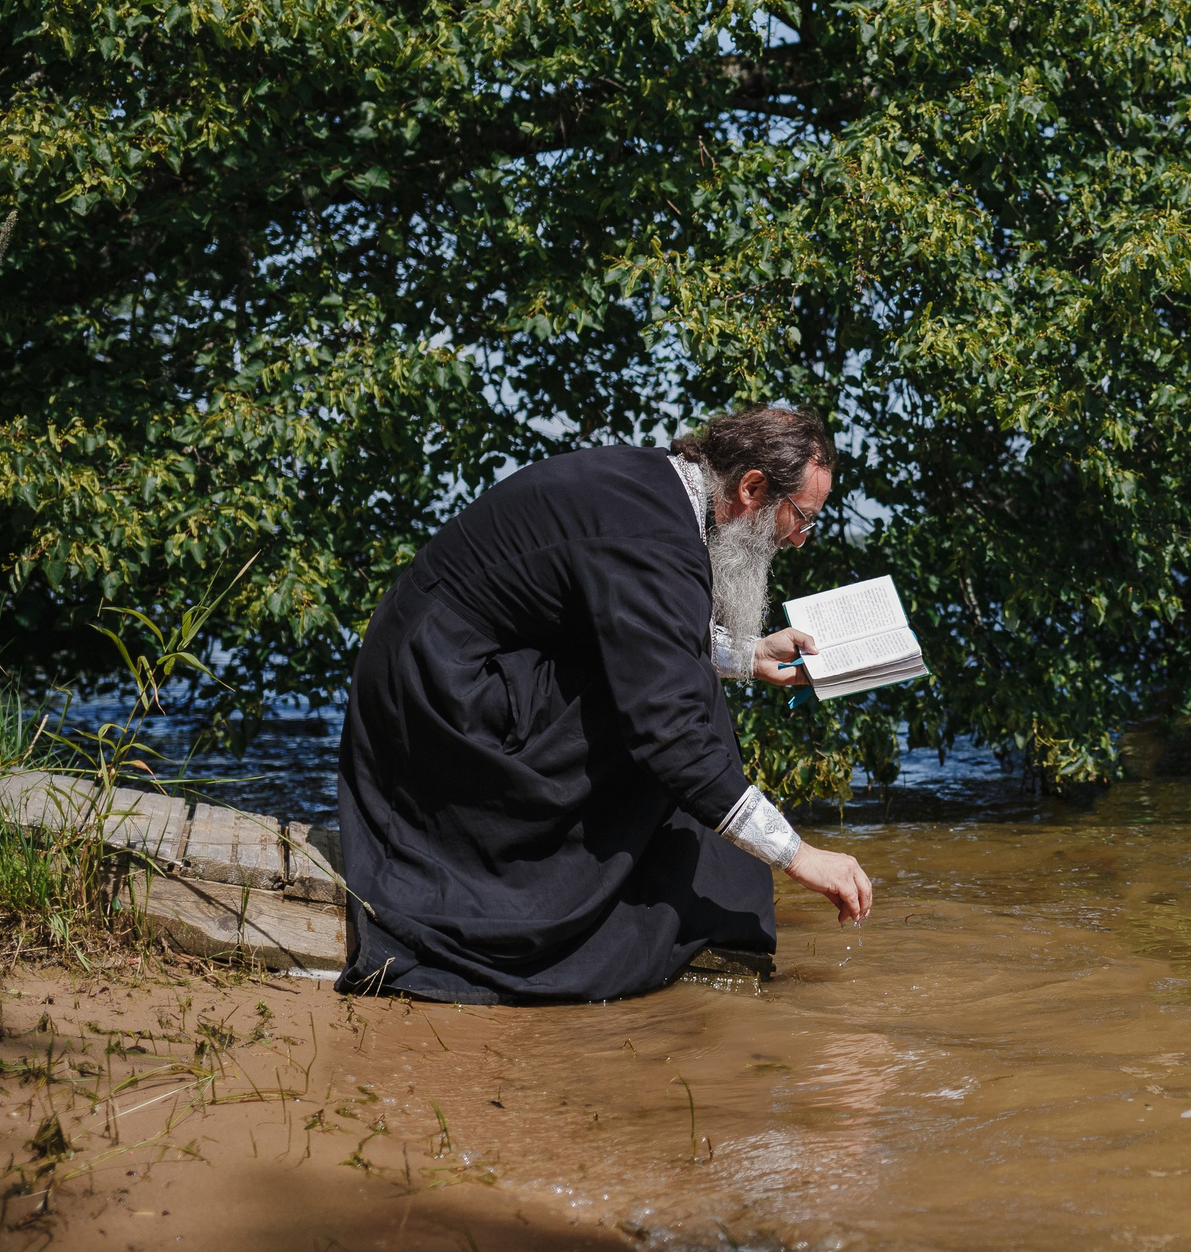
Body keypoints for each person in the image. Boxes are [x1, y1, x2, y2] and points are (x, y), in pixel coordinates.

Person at [335, 405, 874, 1004]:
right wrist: (799, 856)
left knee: (677, 683)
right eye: (801, 517)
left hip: (427, 671)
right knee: (672, 708)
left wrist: (748, 654)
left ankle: (695, 904)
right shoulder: (657, 539)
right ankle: (601, 910)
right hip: (437, 705)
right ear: (751, 488)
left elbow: (632, 626)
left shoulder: (654, 489)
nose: (798, 540)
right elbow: (670, 731)